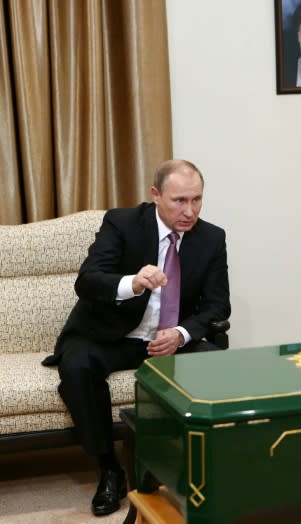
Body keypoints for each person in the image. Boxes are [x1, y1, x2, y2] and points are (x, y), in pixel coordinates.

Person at [42, 159, 231, 516]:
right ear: (156, 195)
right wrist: (132, 282)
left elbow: (218, 306)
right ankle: (109, 469)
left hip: (167, 341)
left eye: (197, 200)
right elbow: (88, 281)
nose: (189, 211)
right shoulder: (123, 223)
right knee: (78, 365)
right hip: (111, 336)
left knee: (216, 365)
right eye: (179, 201)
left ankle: (196, 467)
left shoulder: (211, 238)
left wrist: (180, 333)